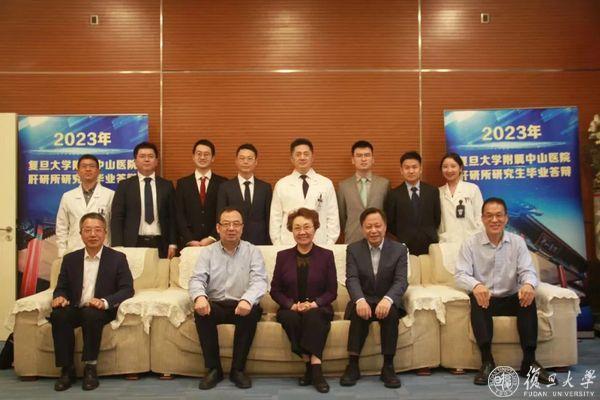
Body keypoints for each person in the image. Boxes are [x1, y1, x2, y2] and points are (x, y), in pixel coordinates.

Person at [455, 197, 556, 386]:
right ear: (482, 219)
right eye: (489, 216)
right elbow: (461, 274)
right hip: (487, 298)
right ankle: (487, 362)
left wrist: (528, 285)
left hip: (511, 297)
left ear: (506, 218)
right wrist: (476, 285)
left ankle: (529, 363)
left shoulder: (517, 242)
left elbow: (527, 271)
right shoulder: (470, 243)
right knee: (477, 299)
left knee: (527, 297)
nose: (494, 220)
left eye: (499, 215)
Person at [50, 212, 134, 391]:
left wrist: (105, 301)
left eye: (97, 230)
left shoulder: (117, 258)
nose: (93, 234)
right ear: (80, 234)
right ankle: (66, 369)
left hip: (100, 310)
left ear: (105, 233)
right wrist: (59, 297)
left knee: (91, 313)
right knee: (58, 315)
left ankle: (90, 367)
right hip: (75, 307)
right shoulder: (70, 259)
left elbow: (127, 289)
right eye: (87, 230)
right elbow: (61, 287)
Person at [189, 207, 267, 390]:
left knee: (252, 312)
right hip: (216, 304)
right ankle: (214, 369)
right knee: (201, 313)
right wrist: (199, 297)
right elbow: (197, 279)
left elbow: (260, 280)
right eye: (226, 224)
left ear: (242, 227)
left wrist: (247, 300)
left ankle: (237, 370)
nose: (231, 228)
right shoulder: (207, 252)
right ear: (218, 228)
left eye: (236, 224)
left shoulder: (253, 251)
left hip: (242, 304)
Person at [270, 207, 337, 393]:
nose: (302, 232)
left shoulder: (326, 255)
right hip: (291, 309)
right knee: (290, 318)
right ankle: (311, 366)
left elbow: (332, 291)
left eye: (307, 227)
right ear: (291, 230)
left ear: (315, 228)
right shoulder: (282, 257)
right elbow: (275, 290)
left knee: (313, 316)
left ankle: (314, 367)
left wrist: (313, 304)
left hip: (318, 307)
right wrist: (291, 305)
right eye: (297, 228)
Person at [340, 208, 408, 388]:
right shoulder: (353, 249)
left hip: (387, 299)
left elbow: (401, 281)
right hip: (364, 298)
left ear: (385, 227)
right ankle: (353, 365)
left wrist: (388, 299)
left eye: (378, 226)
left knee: (391, 315)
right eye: (368, 226)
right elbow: (352, 278)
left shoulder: (399, 249)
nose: (373, 230)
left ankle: (388, 366)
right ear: (362, 228)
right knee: (358, 314)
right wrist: (359, 300)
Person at [110, 142, 177, 258]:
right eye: (142, 156)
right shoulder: (125, 185)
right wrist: (117, 245)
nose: (146, 160)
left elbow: (172, 217)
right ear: (135, 161)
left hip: (161, 243)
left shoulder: (167, 185)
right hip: (132, 243)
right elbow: (117, 217)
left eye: (150, 156)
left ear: (156, 161)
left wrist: (173, 243)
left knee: (160, 270)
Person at [270, 138, 340, 246]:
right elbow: (275, 218)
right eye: (298, 154)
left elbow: (333, 217)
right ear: (292, 159)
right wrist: (278, 245)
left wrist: (329, 245)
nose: (302, 157)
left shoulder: (326, 183)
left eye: (306, 154)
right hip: (288, 244)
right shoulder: (281, 184)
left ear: (312, 157)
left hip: (320, 243)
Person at [55, 154, 114, 257]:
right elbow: (62, 226)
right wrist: (62, 251)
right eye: (84, 166)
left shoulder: (110, 195)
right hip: (74, 249)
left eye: (92, 166)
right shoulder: (68, 196)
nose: (88, 169)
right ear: (78, 171)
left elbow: (114, 226)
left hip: (102, 250)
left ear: (98, 171)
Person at [385, 151, 440, 256]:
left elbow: (437, 218)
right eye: (407, 168)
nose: (411, 171)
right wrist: (404, 234)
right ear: (401, 170)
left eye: (414, 167)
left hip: (430, 243)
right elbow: (390, 222)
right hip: (405, 244)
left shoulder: (432, 191)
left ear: (421, 169)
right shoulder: (393, 194)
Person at [216, 143, 272, 245]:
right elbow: (220, 217)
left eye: (250, 158)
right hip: (232, 241)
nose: (246, 162)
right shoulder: (225, 187)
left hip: (260, 242)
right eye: (242, 158)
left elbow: (269, 218)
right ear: (236, 161)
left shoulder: (265, 188)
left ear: (256, 162)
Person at [176, 139, 227, 249]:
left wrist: (212, 237)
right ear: (193, 157)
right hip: (189, 244)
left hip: (216, 243)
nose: (202, 157)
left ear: (213, 158)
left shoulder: (223, 183)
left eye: (206, 154)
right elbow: (179, 214)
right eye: (199, 154)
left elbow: (224, 213)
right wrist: (189, 239)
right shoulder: (182, 184)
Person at [337, 141, 389, 244]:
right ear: (353, 160)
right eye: (359, 156)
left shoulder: (384, 184)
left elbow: (387, 214)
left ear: (373, 159)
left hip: (378, 238)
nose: (363, 159)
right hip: (353, 237)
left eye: (367, 155)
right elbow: (342, 217)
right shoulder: (343, 186)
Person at [438, 152, 483, 243]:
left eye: (453, 166)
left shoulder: (472, 189)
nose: (449, 170)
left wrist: (477, 235)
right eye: (445, 167)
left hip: (471, 240)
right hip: (446, 242)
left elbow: (480, 216)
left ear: (461, 168)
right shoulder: (438, 192)